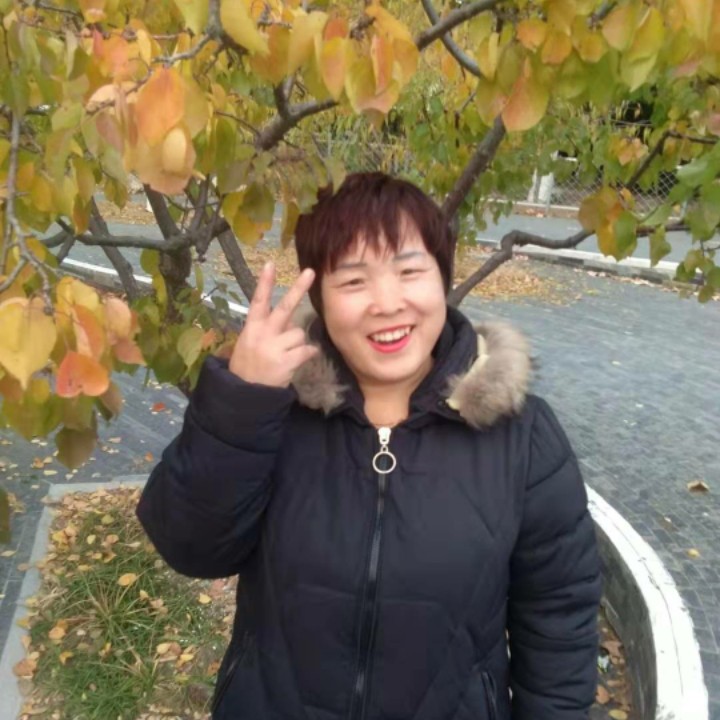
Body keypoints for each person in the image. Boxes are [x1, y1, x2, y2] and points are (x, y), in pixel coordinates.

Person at [136, 172, 602, 720]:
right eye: (354, 280)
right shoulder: (271, 411)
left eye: (410, 271)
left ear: (442, 279)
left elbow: (558, 617)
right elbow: (191, 549)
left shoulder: (522, 437)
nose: (386, 303)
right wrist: (241, 402)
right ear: (320, 300)